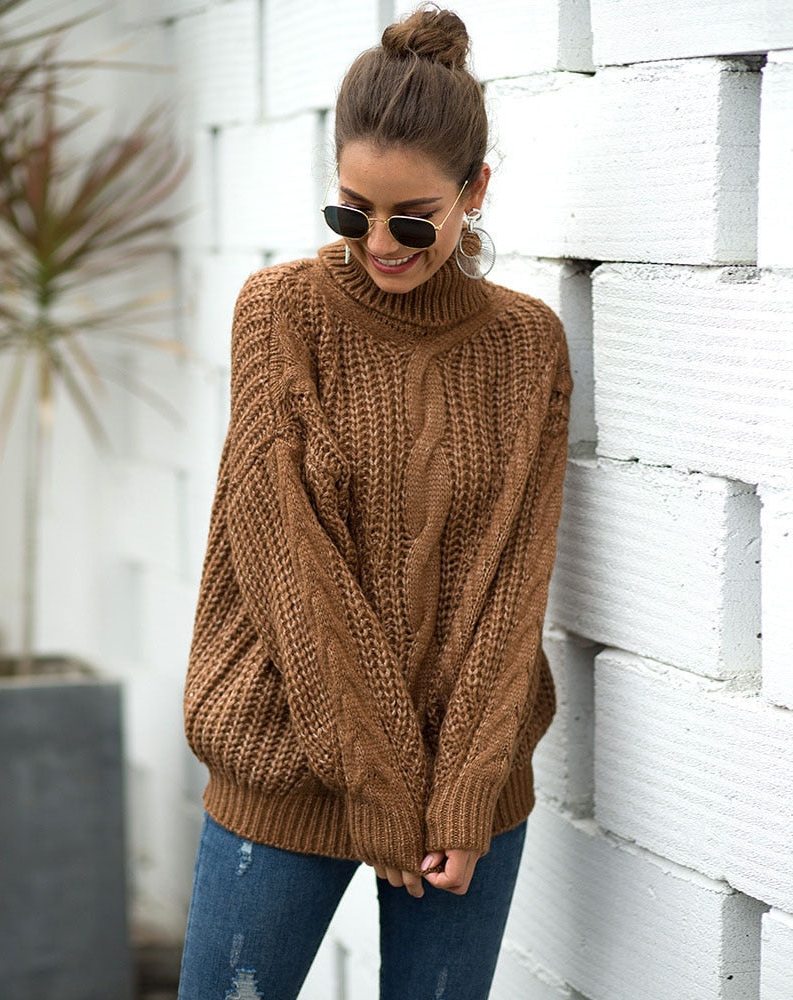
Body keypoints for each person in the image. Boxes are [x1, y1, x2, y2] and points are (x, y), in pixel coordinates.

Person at [178, 6, 572, 999]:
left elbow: (514, 581)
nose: (380, 244)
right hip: (283, 761)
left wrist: (464, 792)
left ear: (474, 191)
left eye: (413, 218)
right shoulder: (281, 314)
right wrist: (379, 781)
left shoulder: (528, 345)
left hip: (464, 805)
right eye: (351, 213)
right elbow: (288, 565)